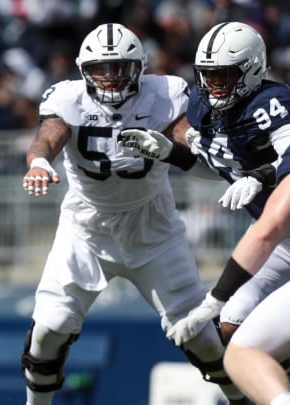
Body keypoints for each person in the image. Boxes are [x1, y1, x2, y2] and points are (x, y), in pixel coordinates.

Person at [20, 23, 250, 405]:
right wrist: (40, 161)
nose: (110, 78)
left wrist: (172, 147)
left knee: (202, 337)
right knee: (51, 328)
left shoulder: (167, 94)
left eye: (120, 67)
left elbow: (196, 156)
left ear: (140, 67)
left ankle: (245, 400)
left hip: (152, 226)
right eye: (101, 68)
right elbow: (48, 135)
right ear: (83, 70)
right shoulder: (68, 98)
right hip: (86, 226)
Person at [117, 21, 290, 347]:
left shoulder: (271, 103)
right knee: (233, 321)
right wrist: (172, 153)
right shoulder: (205, 108)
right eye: (208, 74)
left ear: (251, 69)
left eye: (224, 75)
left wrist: (258, 176)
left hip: (276, 227)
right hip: (279, 240)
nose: (214, 84)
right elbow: (220, 169)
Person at [222, 175, 290, 405]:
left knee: (243, 351)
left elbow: (265, 234)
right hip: (283, 244)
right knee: (233, 319)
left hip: (276, 232)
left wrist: (216, 296)